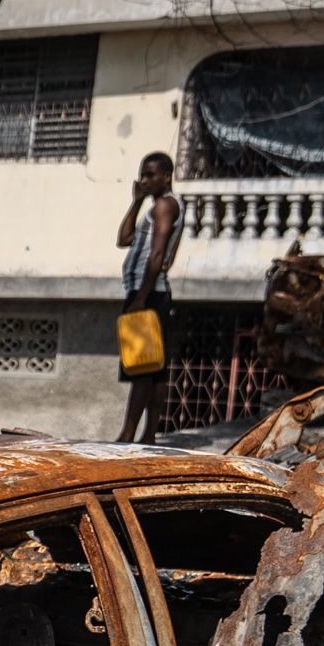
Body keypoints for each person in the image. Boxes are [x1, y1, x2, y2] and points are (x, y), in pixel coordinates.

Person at [114, 150, 181, 443]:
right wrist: (137, 199)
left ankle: (130, 434)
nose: (145, 180)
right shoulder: (153, 208)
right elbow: (123, 239)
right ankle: (147, 434)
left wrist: (141, 297)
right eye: (143, 174)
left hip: (149, 293)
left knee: (142, 367)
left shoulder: (166, 205)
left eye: (151, 175)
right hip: (149, 292)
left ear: (167, 176)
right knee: (152, 367)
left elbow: (157, 254)